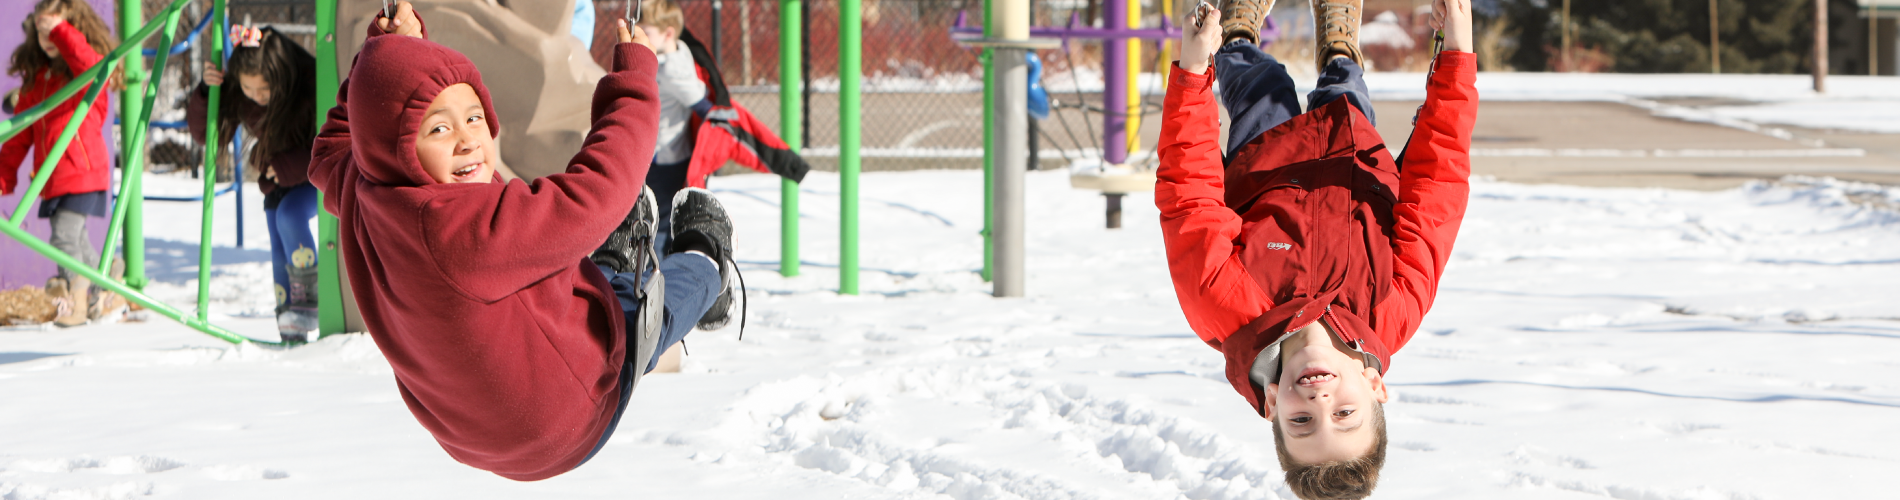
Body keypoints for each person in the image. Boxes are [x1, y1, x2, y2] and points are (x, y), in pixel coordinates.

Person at [307, 2, 734, 480]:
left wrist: (383, 53)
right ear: (395, 143)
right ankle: (710, 263)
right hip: (570, 421)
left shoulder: (364, 191)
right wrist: (633, 85)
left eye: (473, 117)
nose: (468, 141)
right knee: (641, 324)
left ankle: (611, 261)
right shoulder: (464, 229)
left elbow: (330, 148)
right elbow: (600, 190)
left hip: (474, 432)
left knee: (573, 262)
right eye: (439, 129)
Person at [1156, 0, 1476, 497]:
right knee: (1345, 84)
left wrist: (1196, 70)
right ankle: (1339, 44)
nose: (1320, 397)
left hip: (1266, 155)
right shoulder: (1390, 310)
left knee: (1264, 85)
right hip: (1353, 145)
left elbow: (1188, 196)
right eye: (1345, 414)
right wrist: (1455, 56)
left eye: (1302, 421)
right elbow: (1439, 188)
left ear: (1271, 407)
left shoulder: (1226, 310)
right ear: (1375, 390)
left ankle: (1238, 35)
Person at [636, 0, 807, 330]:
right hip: (672, 155)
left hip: (665, 159)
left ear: (668, 32)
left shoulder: (669, 68)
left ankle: (653, 288)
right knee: (662, 222)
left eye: (648, 30)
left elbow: (702, 102)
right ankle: (656, 284)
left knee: (658, 225)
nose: (641, 34)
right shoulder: (682, 50)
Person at [186, 25, 322, 342]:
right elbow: (205, 134)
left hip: (317, 172)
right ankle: (288, 315)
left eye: (264, 91)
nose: (257, 98)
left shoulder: (309, 87)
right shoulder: (244, 96)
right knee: (276, 233)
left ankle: (309, 303)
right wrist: (207, 93)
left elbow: (332, 142)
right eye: (249, 90)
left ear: (282, 77)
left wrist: (290, 166)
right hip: (280, 177)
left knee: (290, 215)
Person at [2, 0, 124, 327]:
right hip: (53, 176)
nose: (48, 37)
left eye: (55, 29)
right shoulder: (36, 80)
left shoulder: (88, 75)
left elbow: (86, 60)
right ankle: (106, 280)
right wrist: (3, 176)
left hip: (82, 170)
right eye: (42, 30)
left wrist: (59, 29)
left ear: (73, 29)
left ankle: (76, 302)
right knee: (77, 240)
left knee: (64, 238)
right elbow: (19, 136)